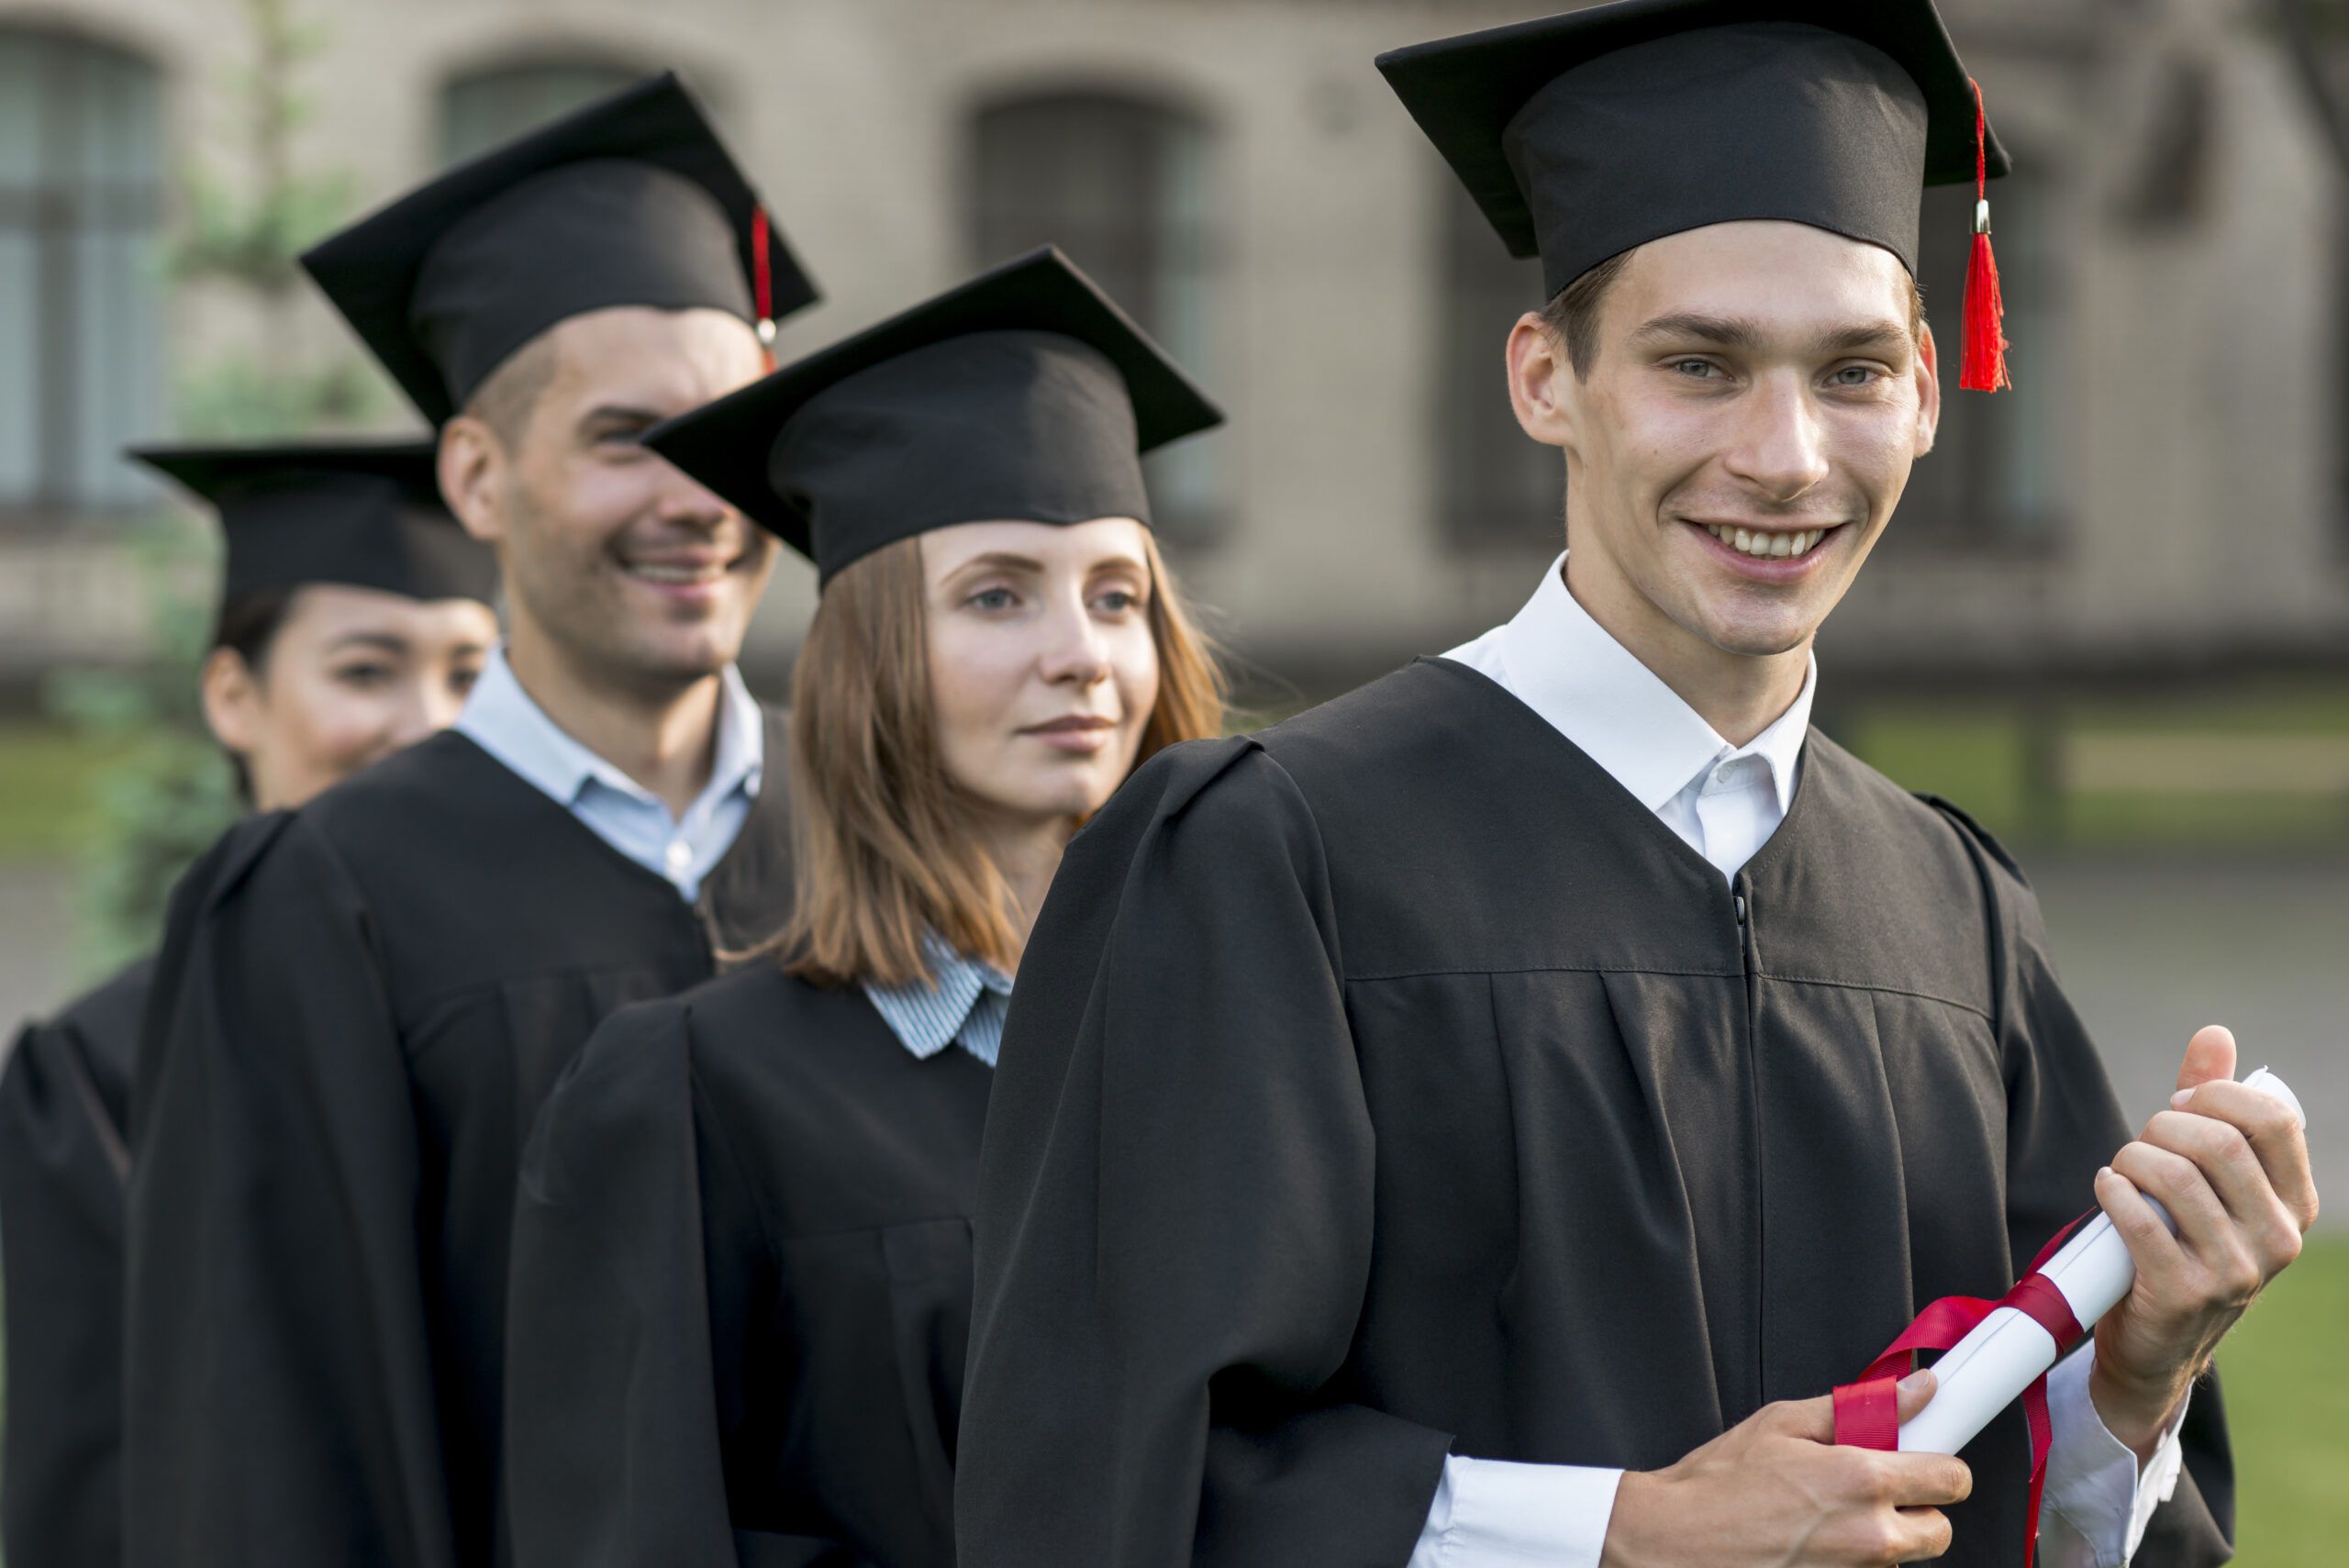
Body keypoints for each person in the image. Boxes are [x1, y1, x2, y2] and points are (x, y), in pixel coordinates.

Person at [957, 6, 2318, 1568]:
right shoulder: (1277, 856)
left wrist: (2131, 1385)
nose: (1788, 453)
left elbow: (2049, 1517)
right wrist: (1626, 1527)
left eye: (1853, 369)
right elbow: (1118, 1481)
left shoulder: (1955, 914)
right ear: (1545, 377)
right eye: (1700, 363)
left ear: (1930, 394)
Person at [122, 73, 818, 1568]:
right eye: (629, 435)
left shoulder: (893, 847)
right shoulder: (332, 899)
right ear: (478, 477)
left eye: (731, 427)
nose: (698, 492)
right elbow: (268, 1446)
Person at [499, 247, 1228, 1568]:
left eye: (1116, 597)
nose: (1081, 652)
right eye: (998, 593)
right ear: (873, 656)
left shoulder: (1253, 1045)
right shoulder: (701, 1092)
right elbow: (644, 1528)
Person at [0, 439, 497, 1568]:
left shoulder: (557, 1020)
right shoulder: (98, 1069)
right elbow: (91, 1500)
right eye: (366, 670)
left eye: (470, 675)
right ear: (234, 695)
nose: (426, 724)